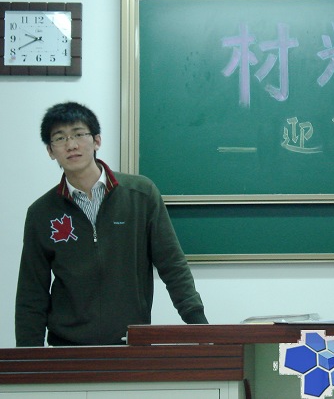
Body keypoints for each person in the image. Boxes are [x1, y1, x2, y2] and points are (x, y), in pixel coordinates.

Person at [15, 102, 208, 347]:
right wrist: (28, 357)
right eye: (60, 138)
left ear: (97, 140)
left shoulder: (140, 195)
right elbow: (32, 292)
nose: (71, 145)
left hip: (130, 344)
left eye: (78, 134)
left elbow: (172, 265)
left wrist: (200, 328)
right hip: (67, 348)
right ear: (50, 151)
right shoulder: (42, 213)